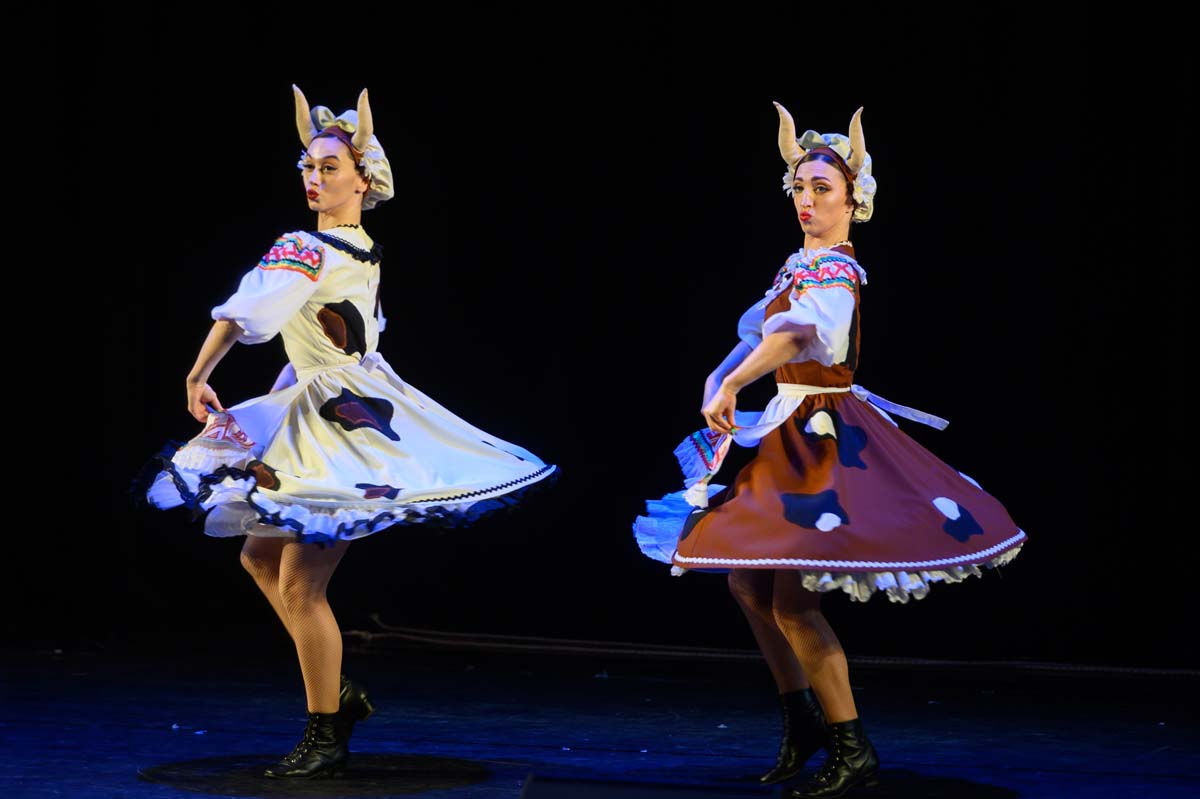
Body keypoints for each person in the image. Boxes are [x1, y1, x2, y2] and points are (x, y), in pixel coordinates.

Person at [143, 85, 556, 780]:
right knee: (258, 557)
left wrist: (197, 374)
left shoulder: (307, 246)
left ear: (363, 179)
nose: (313, 177)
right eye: (308, 166)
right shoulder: (362, 248)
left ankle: (326, 730)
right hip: (334, 403)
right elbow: (315, 338)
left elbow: (246, 312)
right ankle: (333, 691)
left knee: (300, 586)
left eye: (329, 167)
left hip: (344, 418)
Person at [634, 103, 1025, 798]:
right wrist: (718, 378)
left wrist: (738, 382)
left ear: (853, 200)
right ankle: (805, 722)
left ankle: (853, 744)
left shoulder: (837, 273)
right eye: (800, 188)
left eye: (821, 188)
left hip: (823, 436)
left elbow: (796, 338)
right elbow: (759, 332)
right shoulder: (800, 265)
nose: (807, 200)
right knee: (747, 583)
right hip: (791, 429)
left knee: (792, 603)